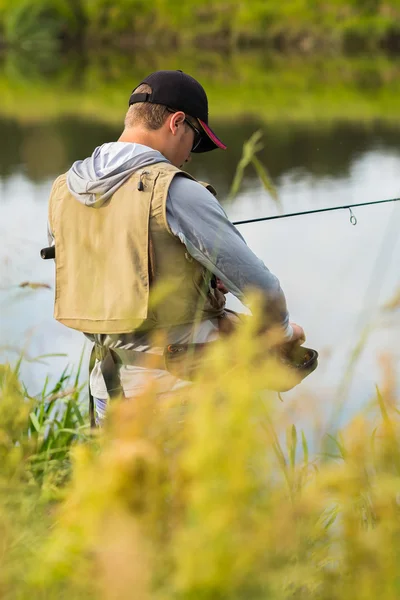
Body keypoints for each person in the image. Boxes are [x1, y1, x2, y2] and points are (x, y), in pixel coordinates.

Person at [47, 69, 305, 425]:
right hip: (180, 394)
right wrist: (286, 333)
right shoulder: (176, 191)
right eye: (196, 139)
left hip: (107, 392)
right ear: (177, 122)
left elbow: (113, 273)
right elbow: (262, 290)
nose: (189, 156)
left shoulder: (64, 190)